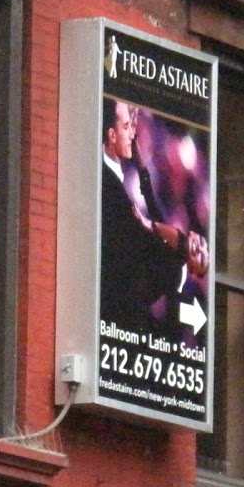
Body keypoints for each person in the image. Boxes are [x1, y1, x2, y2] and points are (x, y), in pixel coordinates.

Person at [100, 97, 209, 336]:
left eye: (198, 254)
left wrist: (147, 225)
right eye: (201, 245)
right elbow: (148, 191)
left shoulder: (175, 284)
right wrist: (137, 146)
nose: (197, 246)